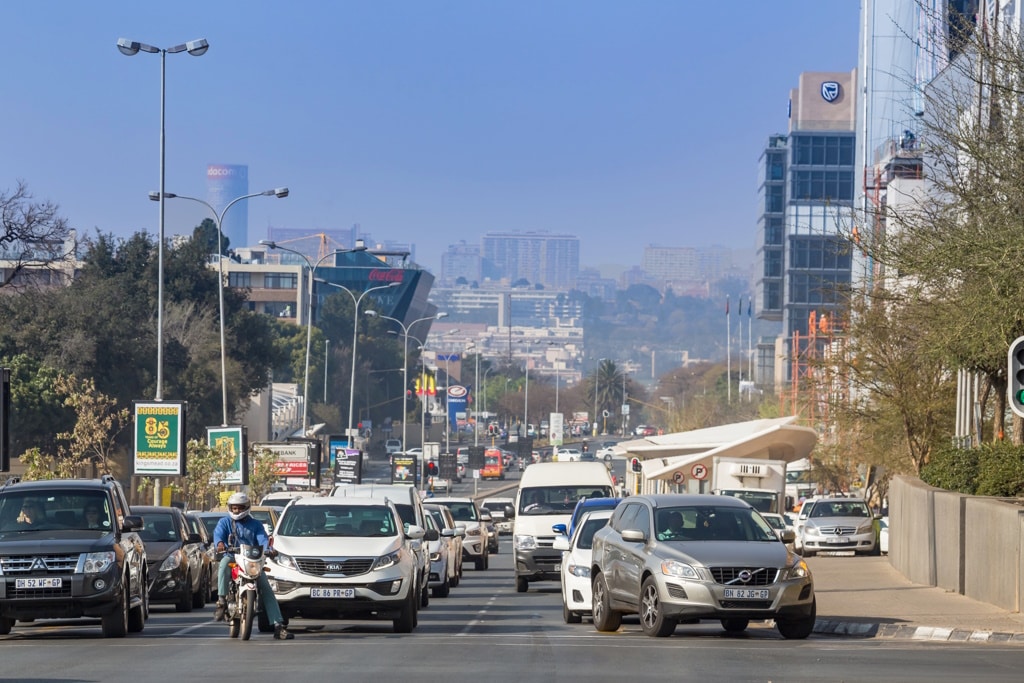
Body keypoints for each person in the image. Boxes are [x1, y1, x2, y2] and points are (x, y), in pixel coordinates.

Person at [212, 492, 293, 640]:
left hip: (251, 561)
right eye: (234, 508)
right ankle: (221, 600)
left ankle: (278, 626)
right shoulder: (224, 522)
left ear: (247, 508)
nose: (236, 511)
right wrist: (220, 544)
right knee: (223, 565)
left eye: (239, 508)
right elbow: (218, 535)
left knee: (265, 587)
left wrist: (268, 550)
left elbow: (262, 539)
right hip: (232, 557)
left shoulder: (255, 524)